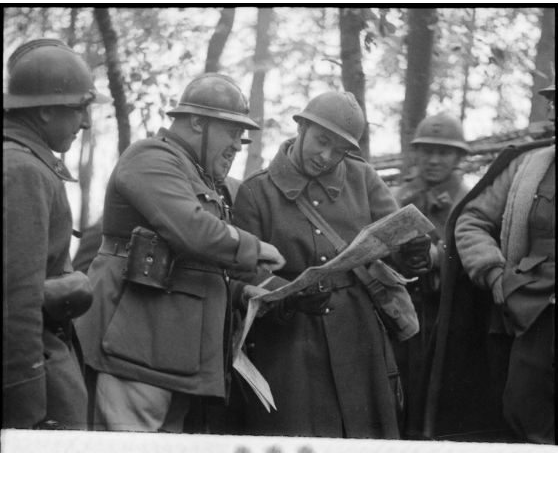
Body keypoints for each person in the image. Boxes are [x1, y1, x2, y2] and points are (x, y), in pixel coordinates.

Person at [75, 73, 285, 433]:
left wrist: (240, 291)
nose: (238, 145)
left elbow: (196, 265)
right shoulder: (150, 157)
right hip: (133, 348)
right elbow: (193, 231)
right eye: (231, 132)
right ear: (197, 122)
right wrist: (255, 248)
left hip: (174, 357)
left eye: (242, 137)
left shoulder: (201, 177)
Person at [233, 91, 431, 439]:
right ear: (302, 129)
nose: (327, 157)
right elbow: (244, 271)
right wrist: (285, 295)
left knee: (365, 441)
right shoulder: (256, 192)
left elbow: (394, 237)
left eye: (339, 150)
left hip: (359, 335)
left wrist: (413, 254)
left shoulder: (362, 178)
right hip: (290, 343)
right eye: (321, 142)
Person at [424, 84, 554, 444]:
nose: (553, 112)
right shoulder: (528, 166)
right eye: (554, 104)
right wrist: (493, 272)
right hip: (532, 309)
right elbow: (472, 220)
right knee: (523, 409)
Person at [3, 38, 109, 429]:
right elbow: (16, 304)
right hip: (33, 389)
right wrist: (28, 413)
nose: (86, 122)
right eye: (78, 108)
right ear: (45, 111)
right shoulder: (22, 172)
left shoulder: (26, 164)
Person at [394, 112, 470, 438]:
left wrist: (439, 256)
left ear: (457, 158)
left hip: (447, 313)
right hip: (402, 307)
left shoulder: (470, 199)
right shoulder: (401, 195)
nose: (434, 160)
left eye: (443, 152)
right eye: (427, 151)